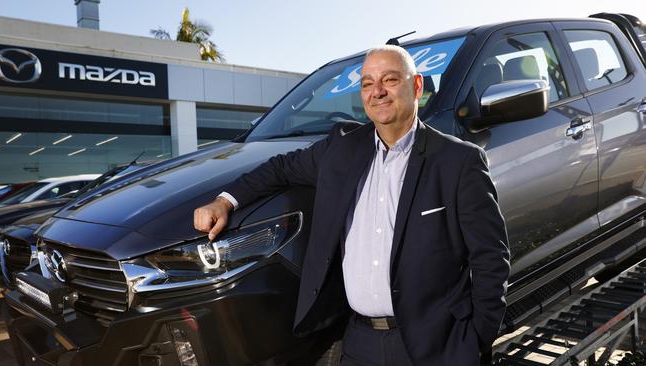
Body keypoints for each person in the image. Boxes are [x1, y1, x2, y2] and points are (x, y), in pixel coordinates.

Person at [194, 45, 510, 365]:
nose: (378, 92)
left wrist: (474, 342)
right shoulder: (341, 149)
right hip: (360, 342)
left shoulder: (458, 161)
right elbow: (279, 168)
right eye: (367, 83)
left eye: (389, 80)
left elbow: (491, 258)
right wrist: (225, 202)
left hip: (435, 343)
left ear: (416, 86)